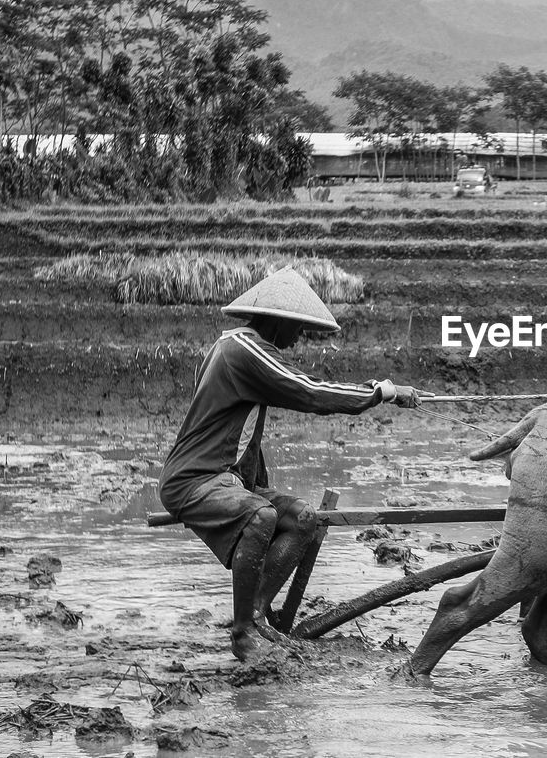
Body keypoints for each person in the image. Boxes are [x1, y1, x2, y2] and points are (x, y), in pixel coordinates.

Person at [159, 266, 425, 661]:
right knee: (260, 516)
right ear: (276, 322)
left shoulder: (236, 347)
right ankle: (244, 630)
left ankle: (254, 613)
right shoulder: (243, 350)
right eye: (296, 328)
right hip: (195, 479)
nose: (298, 338)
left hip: (230, 480)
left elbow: (242, 428)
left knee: (303, 517)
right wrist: (380, 392)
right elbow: (309, 391)